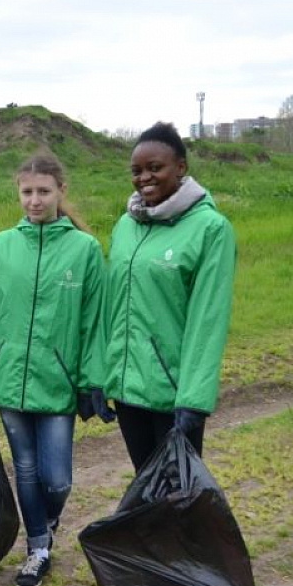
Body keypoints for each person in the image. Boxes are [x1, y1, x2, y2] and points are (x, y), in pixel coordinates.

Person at [0, 153, 111, 586]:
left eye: (44, 191)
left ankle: (49, 517)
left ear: (61, 191)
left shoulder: (84, 250)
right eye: (27, 192)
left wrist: (90, 380)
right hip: (8, 379)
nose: (35, 200)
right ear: (17, 193)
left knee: (56, 477)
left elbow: (93, 322)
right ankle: (37, 547)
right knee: (24, 468)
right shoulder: (0, 246)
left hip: (58, 383)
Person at [103, 121, 236, 472]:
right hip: (128, 390)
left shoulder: (211, 229)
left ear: (181, 167)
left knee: (178, 500)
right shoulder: (125, 225)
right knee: (146, 490)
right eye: (136, 171)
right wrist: (101, 377)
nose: (144, 177)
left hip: (173, 394)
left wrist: (193, 399)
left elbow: (208, 319)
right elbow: (110, 306)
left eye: (154, 168)